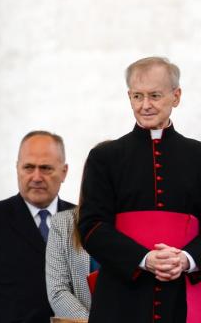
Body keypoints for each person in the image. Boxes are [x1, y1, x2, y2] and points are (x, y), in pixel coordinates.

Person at [78, 56, 201, 323]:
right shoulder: (105, 157)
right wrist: (144, 258)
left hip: (185, 293)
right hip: (122, 295)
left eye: (155, 95)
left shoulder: (198, 156)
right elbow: (92, 227)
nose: (145, 105)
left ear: (176, 96)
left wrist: (187, 259)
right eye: (137, 96)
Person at [0, 131, 75, 323]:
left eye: (46, 168)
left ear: (64, 172)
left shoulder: (81, 221)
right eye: (28, 167)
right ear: (17, 168)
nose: (36, 177)